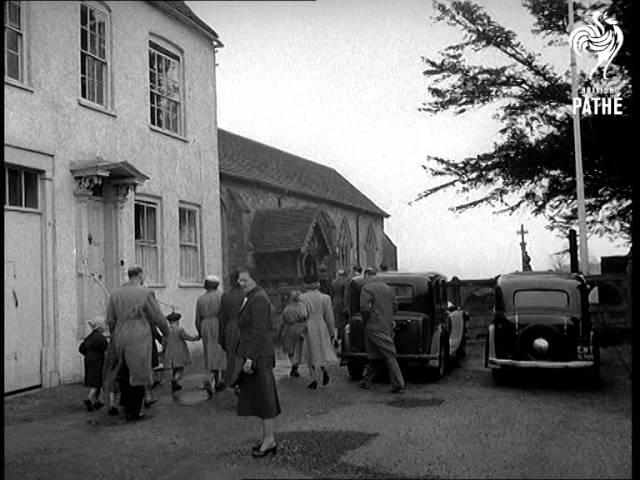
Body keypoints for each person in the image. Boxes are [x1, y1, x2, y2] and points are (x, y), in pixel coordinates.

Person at [105, 265, 170, 421]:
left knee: (124, 370)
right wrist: (166, 333)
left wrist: (114, 336)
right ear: (140, 275)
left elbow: (110, 319)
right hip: (138, 333)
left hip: (120, 332)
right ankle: (135, 411)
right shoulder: (145, 293)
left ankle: (126, 405)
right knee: (139, 371)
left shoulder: (115, 294)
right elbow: (157, 316)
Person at [236, 267, 281, 457]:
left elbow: (259, 331)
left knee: (265, 398)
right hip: (257, 354)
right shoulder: (254, 297)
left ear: (255, 280)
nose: (241, 283)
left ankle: (269, 439)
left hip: (260, 355)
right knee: (261, 397)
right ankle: (267, 437)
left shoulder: (259, 299)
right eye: (239, 280)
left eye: (245, 280)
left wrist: (250, 358)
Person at [359, 267, 405, 394]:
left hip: (373, 325)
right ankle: (366, 381)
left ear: (367, 275)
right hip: (387, 324)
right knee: (375, 353)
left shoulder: (366, 288)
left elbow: (364, 308)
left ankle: (398, 382)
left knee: (387, 353)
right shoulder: (387, 288)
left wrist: (366, 321)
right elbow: (395, 305)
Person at [300, 275, 338, 389]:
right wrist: (332, 332)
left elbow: (303, 314)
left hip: (309, 324)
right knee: (321, 349)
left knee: (310, 351)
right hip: (321, 324)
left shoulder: (302, 298)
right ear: (318, 285)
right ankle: (323, 369)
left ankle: (313, 378)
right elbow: (330, 317)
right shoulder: (325, 298)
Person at [195, 274, 227, 397]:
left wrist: (199, 332)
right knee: (220, 351)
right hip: (218, 323)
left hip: (205, 325)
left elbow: (197, 318)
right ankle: (218, 380)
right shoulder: (221, 296)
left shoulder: (201, 299)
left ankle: (214, 377)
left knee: (210, 352)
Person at [219, 269, 245, 394]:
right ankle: (239, 381)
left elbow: (222, 317)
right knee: (242, 355)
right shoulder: (248, 295)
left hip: (230, 326)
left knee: (232, 355)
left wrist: (221, 336)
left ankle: (232, 380)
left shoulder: (226, 296)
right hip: (244, 327)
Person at [162, 312, 200, 392]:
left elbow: (163, 342)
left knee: (174, 368)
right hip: (179, 351)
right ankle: (175, 380)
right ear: (176, 321)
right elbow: (187, 337)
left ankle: (175, 385)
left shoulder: (165, 330)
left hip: (169, 352)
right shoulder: (180, 329)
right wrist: (195, 338)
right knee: (180, 369)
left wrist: (164, 350)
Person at [276, 289, 308, 378]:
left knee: (290, 349)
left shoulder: (287, 309)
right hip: (302, 329)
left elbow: (281, 323)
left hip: (290, 329)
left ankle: (294, 365)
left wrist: (278, 335)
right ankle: (296, 366)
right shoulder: (303, 307)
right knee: (299, 348)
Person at [79, 317, 108, 411]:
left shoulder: (89, 337)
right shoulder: (100, 338)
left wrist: (87, 354)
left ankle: (97, 400)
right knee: (97, 381)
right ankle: (90, 397)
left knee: (93, 379)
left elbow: (81, 348)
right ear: (100, 327)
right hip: (98, 360)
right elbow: (105, 347)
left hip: (88, 360)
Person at [330, 269, 350, 346]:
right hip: (343, 303)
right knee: (344, 322)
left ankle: (335, 337)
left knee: (336, 322)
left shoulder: (334, 282)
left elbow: (331, 293)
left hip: (335, 303)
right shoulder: (347, 281)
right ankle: (343, 338)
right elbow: (346, 294)